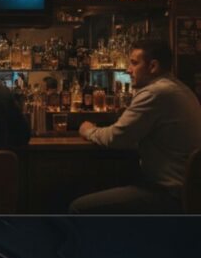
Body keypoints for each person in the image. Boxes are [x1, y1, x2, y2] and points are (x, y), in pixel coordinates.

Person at [71, 39, 201, 213]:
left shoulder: (155, 92)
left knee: (78, 208)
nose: (128, 70)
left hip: (169, 194)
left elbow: (116, 137)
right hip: (189, 194)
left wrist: (88, 131)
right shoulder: (179, 88)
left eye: (133, 63)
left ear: (153, 66)